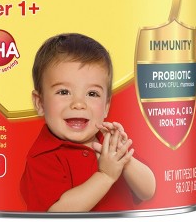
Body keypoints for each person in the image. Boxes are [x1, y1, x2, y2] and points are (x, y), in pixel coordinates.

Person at [20, 33, 156, 212]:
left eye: (92, 94)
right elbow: (57, 213)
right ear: (40, 103)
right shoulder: (42, 158)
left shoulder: (109, 143)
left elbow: (147, 191)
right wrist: (105, 176)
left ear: (106, 106)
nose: (79, 104)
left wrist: (124, 159)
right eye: (63, 92)